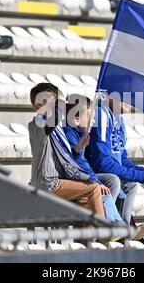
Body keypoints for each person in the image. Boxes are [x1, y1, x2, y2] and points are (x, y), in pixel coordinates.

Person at [86, 93, 144, 238]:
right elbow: (103, 164)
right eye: (125, 95)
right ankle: (108, 233)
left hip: (106, 173)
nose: (131, 100)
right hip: (91, 176)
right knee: (114, 179)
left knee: (132, 183)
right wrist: (141, 176)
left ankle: (124, 230)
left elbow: (121, 158)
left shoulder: (117, 119)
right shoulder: (101, 115)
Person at [28, 82, 104, 217]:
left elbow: (62, 155)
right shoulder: (39, 124)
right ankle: (104, 232)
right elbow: (56, 115)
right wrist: (62, 100)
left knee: (86, 197)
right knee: (94, 189)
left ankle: (89, 234)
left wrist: (77, 148)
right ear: (39, 106)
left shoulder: (53, 127)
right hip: (48, 183)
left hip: (53, 181)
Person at [63, 94, 123, 224]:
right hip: (72, 179)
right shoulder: (70, 134)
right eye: (90, 117)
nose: (94, 121)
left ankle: (118, 225)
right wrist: (96, 181)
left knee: (112, 180)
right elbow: (79, 164)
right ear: (76, 119)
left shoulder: (80, 134)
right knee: (103, 194)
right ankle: (111, 227)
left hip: (81, 176)